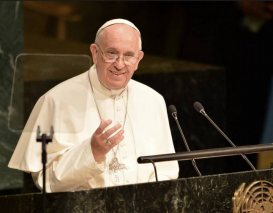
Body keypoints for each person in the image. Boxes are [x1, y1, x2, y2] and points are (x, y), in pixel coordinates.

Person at [8, 18, 179, 193]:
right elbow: (46, 181)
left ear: (138, 59)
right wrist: (92, 152)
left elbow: (166, 172)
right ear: (95, 53)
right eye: (111, 53)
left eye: (128, 55)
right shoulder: (56, 100)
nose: (120, 65)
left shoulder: (152, 99)